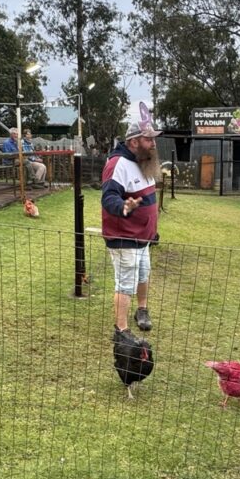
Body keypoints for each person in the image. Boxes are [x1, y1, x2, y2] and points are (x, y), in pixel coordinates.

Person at [101, 121, 162, 334]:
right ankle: (122, 330)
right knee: (125, 283)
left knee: (144, 273)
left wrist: (152, 229)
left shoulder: (143, 161)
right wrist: (123, 206)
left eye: (153, 138)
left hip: (143, 237)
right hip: (125, 237)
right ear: (134, 141)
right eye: (148, 139)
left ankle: (141, 310)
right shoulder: (118, 164)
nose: (153, 143)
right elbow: (108, 197)